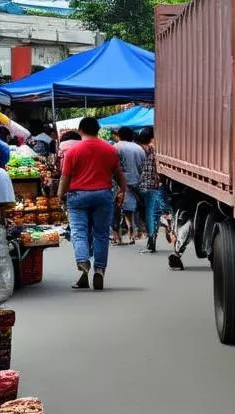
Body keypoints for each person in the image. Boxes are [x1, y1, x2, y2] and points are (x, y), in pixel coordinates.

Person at [57, 117, 126, 291]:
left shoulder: (73, 151)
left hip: (78, 196)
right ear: (97, 130)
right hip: (103, 195)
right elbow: (118, 174)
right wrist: (122, 191)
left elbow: (65, 178)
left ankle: (83, 262)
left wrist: (60, 195)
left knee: (79, 232)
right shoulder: (109, 149)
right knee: (101, 234)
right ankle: (100, 270)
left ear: (80, 130)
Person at [115, 126, 146, 245]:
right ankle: (136, 229)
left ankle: (128, 229)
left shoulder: (116, 147)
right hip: (138, 181)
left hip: (122, 182)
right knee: (136, 207)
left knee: (122, 208)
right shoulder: (139, 148)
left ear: (119, 135)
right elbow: (143, 165)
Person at [136, 127, 163, 254]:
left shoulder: (137, 149)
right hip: (153, 185)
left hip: (138, 186)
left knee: (144, 213)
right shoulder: (156, 150)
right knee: (151, 213)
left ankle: (146, 235)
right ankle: (151, 239)